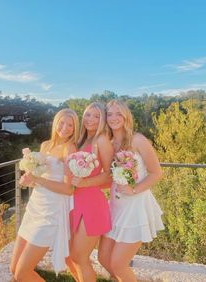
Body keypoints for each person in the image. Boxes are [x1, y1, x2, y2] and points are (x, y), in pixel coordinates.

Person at [9, 108, 79, 282]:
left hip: (51, 213)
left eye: (70, 125)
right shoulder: (45, 145)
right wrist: (29, 180)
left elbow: (68, 189)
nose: (65, 127)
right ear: (55, 122)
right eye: (62, 122)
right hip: (35, 207)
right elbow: (40, 178)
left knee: (22, 273)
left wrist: (38, 181)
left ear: (75, 128)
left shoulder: (70, 149)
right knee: (13, 268)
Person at [98, 100, 164, 282]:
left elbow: (156, 172)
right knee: (103, 258)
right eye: (109, 114)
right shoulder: (108, 143)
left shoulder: (138, 140)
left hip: (135, 207)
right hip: (115, 206)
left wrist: (133, 189)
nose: (114, 118)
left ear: (126, 116)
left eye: (118, 113)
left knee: (119, 264)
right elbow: (107, 176)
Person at [68, 102, 114, 282]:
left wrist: (84, 182)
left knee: (80, 256)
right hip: (73, 201)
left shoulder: (101, 140)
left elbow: (110, 176)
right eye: (88, 114)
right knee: (71, 256)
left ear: (103, 120)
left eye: (97, 116)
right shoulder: (79, 140)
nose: (91, 120)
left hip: (92, 204)